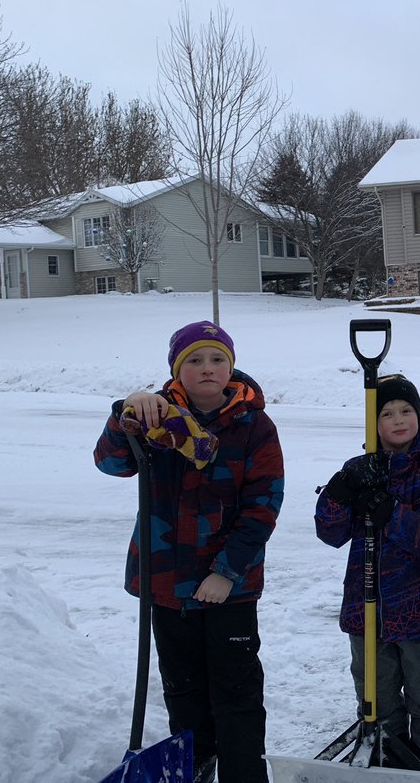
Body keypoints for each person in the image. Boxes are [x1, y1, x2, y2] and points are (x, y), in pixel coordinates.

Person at [93, 320, 285, 783]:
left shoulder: (254, 426)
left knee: (235, 694)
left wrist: (227, 572)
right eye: (194, 360)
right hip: (167, 583)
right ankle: (194, 773)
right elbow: (111, 462)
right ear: (178, 369)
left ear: (231, 367)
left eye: (217, 359)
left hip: (229, 590)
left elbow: (263, 507)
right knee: (184, 693)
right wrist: (124, 414)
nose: (207, 368)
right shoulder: (154, 418)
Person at [315, 374, 420, 774]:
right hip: (367, 614)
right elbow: (329, 532)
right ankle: (390, 771)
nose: (398, 420)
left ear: (419, 415)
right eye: (387, 413)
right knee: (377, 704)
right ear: (372, 422)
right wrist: (341, 490)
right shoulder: (359, 469)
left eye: (406, 411)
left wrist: (389, 510)